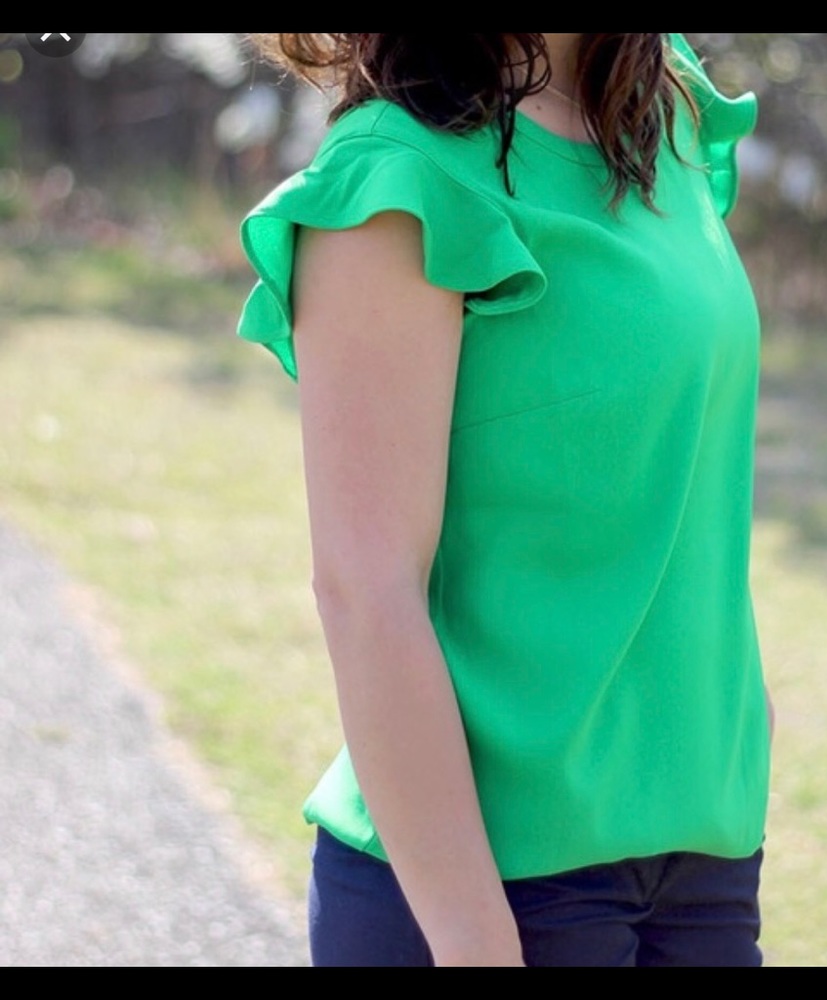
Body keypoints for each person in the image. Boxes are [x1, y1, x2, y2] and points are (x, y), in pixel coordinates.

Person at [238, 32, 772, 968]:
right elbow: (367, 592)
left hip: (703, 861)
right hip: (493, 892)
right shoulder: (395, 178)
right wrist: (476, 942)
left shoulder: (665, 106)